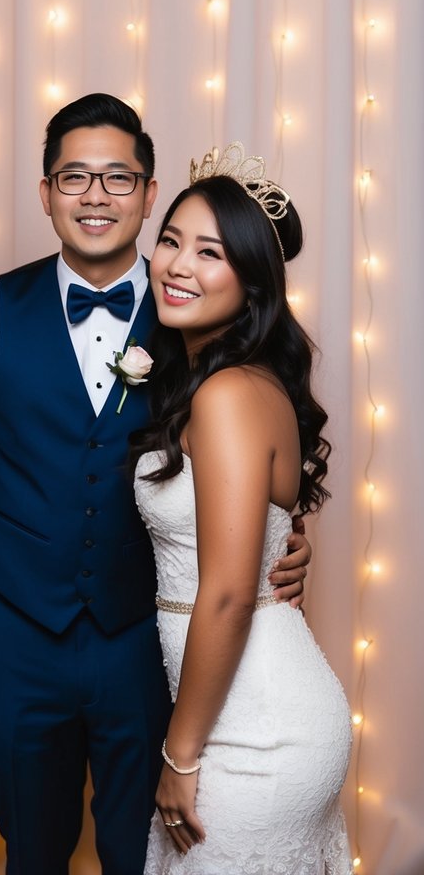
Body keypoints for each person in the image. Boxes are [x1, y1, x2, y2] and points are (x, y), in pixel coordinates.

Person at [0, 97, 312, 875]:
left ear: (149, 195)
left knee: (144, 853)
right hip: (18, 638)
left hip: (144, 647)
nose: (96, 195)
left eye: (119, 177)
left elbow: (252, 464)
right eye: (73, 176)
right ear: (44, 193)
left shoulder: (196, 317)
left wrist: (282, 540)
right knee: (29, 851)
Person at [132, 144, 352, 873]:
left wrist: (179, 753)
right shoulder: (238, 383)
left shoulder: (225, 396)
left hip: (251, 729)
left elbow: (226, 592)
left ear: (252, 284)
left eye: (209, 253)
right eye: (169, 242)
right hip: (252, 706)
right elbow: (261, 540)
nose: (176, 265)